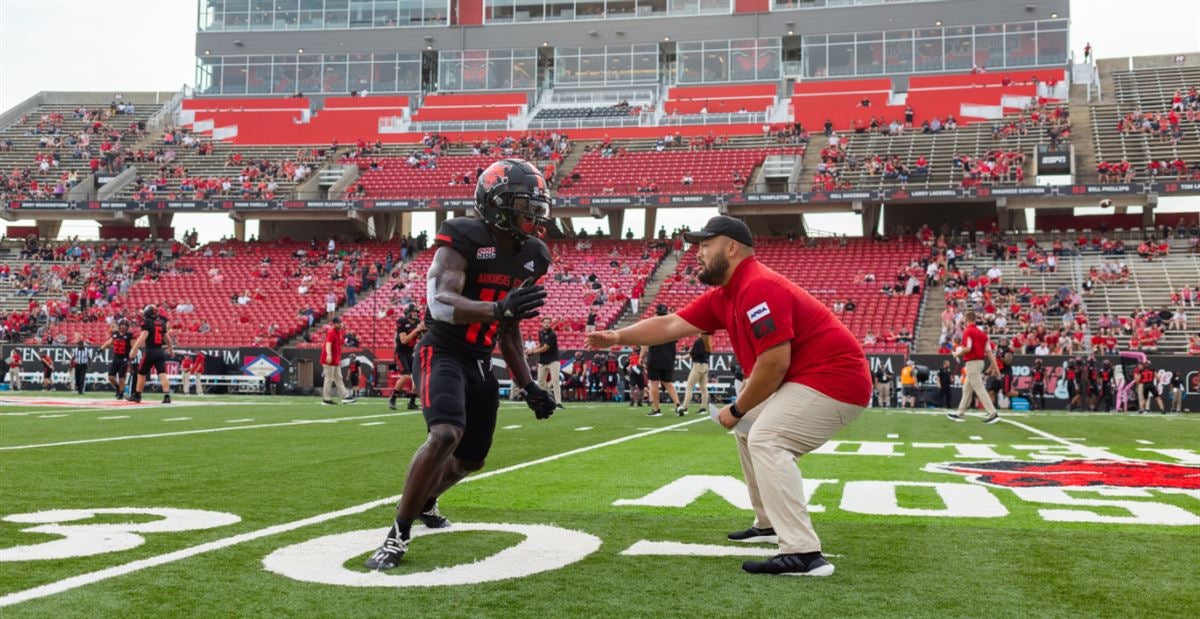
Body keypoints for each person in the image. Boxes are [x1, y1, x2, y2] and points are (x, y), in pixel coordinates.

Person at [586, 215, 871, 577]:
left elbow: (774, 363)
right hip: (810, 378)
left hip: (835, 380)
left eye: (706, 245)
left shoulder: (758, 286)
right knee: (750, 430)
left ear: (732, 248)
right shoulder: (729, 293)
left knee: (767, 438)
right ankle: (768, 524)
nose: (698, 254)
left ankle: (804, 553)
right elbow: (671, 324)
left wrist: (736, 408)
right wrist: (618, 336)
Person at [365, 158, 557, 571]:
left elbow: (508, 329)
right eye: (523, 204)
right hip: (443, 349)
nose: (533, 214)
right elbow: (441, 303)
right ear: (495, 202)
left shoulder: (534, 255)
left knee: (471, 459)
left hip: (481, 360)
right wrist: (498, 307)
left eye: (535, 206)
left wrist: (529, 386)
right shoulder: (462, 237)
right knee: (445, 434)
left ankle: (427, 501)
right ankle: (398, 532)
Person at [947, 310, 1000, 423]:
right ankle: (960, 413)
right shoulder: (983, 334)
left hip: (973, 363)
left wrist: (957, 354)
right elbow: (990, 353)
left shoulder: (968, 331)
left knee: (979, 387)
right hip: (980, 362)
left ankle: (993, 413)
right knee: (967, 389)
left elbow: (968, 348)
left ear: (966, 320)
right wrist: (996, 368)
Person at [128, 304, 174, 403]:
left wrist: (134, 348)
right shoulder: (162, 323)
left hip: (150, 351)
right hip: (160, 351)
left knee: (141, 373)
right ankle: (167, 396)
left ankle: (137, 395)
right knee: (162, 374)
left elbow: (143, 336)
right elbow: (168, 339)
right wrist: (171, 350)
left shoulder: (147, 322)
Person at [642, 304, 682, 416]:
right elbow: (675, 343)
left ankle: (656, 409)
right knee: (668, 382)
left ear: (656, 313)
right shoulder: (671, 325)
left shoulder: (652, 325)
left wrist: (641, 357)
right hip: (668, 358)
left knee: (654, 383)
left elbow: (645, 342)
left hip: (655, 357)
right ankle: (678, 405)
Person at [389, 304, 425, 410]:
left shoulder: (418, 323)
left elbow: (422, 338)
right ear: (407, 312)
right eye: (413, 312)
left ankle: (412, 402)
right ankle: (393, 399)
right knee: (405, 376)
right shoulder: (402, 322)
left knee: (418, 377)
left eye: (416, 311)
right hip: (400, 353)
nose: (415, 313)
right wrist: (416, 330)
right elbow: (404, 340)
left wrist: (423, 331)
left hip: (410, 353)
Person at [321, 317, 356, 405]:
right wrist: (328, 355)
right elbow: (328, 344)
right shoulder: (331, 332)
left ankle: (345, 396)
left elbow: (342, 342)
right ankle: (326, 398)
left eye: (341, 323)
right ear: (335, 324)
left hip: (335, 360)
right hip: (329, 360)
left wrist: (348, 339)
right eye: (339, 323)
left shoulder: (338, 332)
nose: (341, 324)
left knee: (338, 378)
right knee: (329, 378)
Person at [528, 317, 562, 404]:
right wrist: (532, 349)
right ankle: (548, 398)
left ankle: (558, 403)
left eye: (548, 322)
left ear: (550, 323)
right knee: (541, 383)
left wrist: (533, 352)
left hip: (553, 360)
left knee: (555, 381)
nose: (546, 324)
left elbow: (545, 348)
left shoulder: (552, 334)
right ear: (542, 323)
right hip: (543, 361)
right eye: (545, 322)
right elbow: (540, 344)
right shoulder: (540, 332)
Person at [678, 332, 712, 415]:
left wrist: (681, 357)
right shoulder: (708, 342)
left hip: (698, 366)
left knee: (689, 387)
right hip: (705, 366)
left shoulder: (699, 341)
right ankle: (703, 408)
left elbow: (691, 354)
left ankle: (685, 407)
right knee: (704, 388)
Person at [98, 319, 133, 399]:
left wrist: (131, 357)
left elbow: (133, 346)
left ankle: (121, 393)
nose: (123, 327)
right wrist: (101, 349)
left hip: (124, 358)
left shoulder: (129, 336)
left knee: (122, 378)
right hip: (116, 358)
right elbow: (109, 342)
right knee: (111, 377)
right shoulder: (115, 334)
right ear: (119, 326)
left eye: (125, 326)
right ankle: (118, 387)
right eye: (122, 325)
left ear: (127, 327)